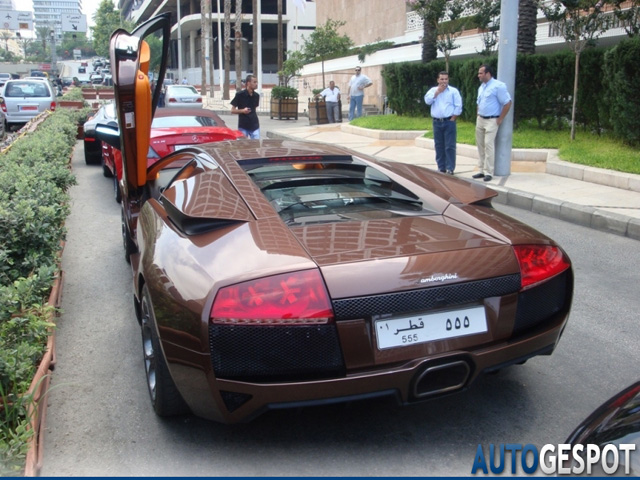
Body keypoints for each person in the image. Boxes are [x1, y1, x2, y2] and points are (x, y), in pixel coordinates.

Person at [473, 64, 512, 182]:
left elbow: (507, 102)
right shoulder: (482, 87)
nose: (478, 75)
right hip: (480, 119)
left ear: (488, 73)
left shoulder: (498, 86)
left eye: (481, 73)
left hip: (492, 120)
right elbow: (479, 103)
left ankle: (489, 172)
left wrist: (500, 119)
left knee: (488, 145)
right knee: (480, 145)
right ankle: (481, 170)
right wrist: (478, 114)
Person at [423, 71, 463, 175]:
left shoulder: (453, 91)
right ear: (438, 80)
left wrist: (454, 117)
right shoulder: (433, 91)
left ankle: (450, 168)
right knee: (439, 145)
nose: (444, 81)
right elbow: (427, 101)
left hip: (449, 121)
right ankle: (441, 167)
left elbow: (458, 105)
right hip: (437, 122)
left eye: (446, 79)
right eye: (442, 79)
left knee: (450, 146)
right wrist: (437, 92)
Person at [230, 74, 260, 139]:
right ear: (248, 83)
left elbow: (254, 109)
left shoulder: (256, 96)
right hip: (243, 125)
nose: (256, 84)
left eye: (256, 82)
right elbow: (232, 110)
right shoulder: (239, 95)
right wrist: (242, 111)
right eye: (254, 82)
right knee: (243, 146)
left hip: (254, 125)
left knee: (256, 146)